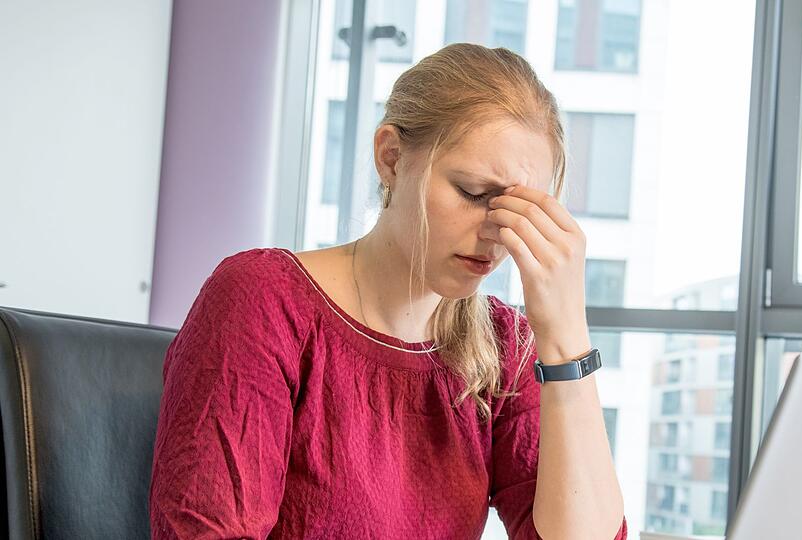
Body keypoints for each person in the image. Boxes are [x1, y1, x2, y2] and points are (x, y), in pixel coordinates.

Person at [149, 43, 628, 539]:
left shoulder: (506, 347)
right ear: (392, 158)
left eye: (522, 212)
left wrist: (566, 334)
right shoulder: (262, 301)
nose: (497, 233)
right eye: (472, 193)